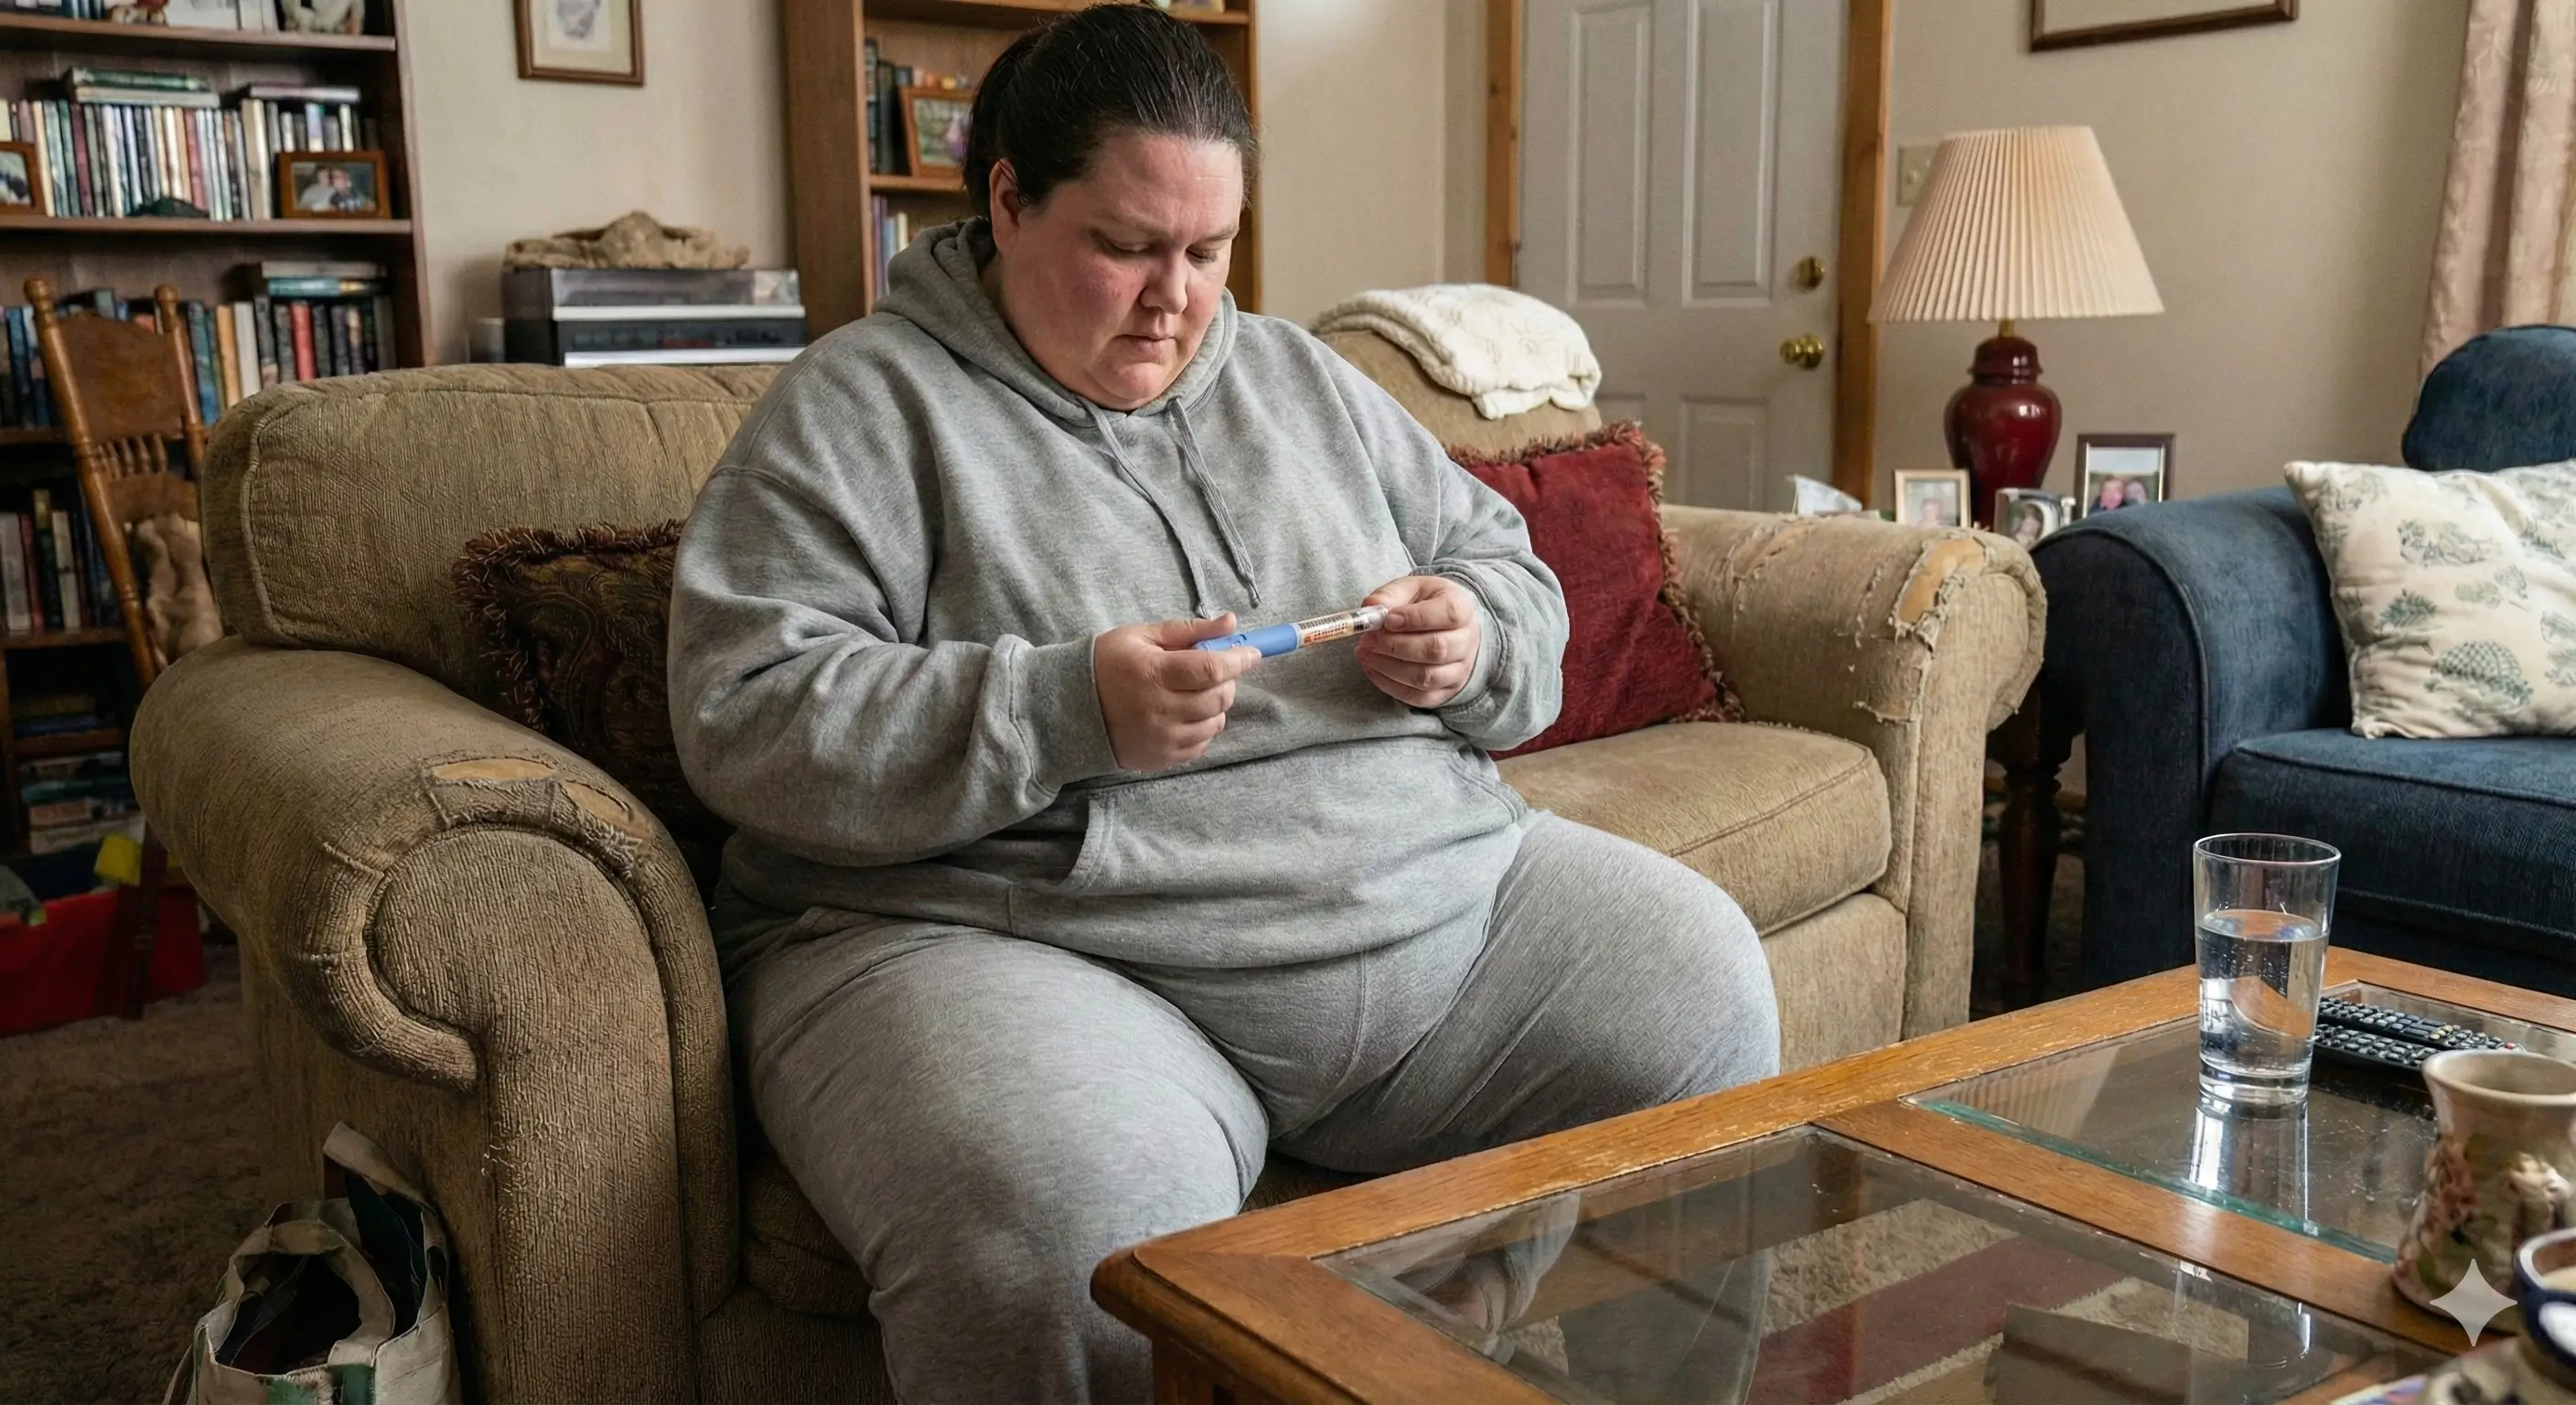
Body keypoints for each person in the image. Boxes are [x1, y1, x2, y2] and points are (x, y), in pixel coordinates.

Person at [667, 7, 1778, 1402]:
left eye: (1207, 251)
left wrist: (1474, 636)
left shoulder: (1301, 377)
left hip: (1431, 908)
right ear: (1006, 199)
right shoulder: (859, 408)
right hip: (1033, 949)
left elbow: (1505, 566)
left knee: (1701, 996)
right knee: (1060, 1235)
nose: (1175, 299)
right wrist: (1064, 708)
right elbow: (746, 715)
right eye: (1126, 246)